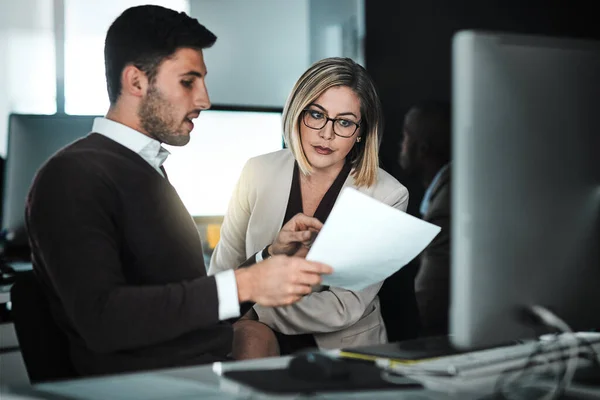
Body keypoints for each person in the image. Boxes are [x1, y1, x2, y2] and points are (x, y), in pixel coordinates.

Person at [24, 5, 333, 378]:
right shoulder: (73, 175)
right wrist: (244, 283)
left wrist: (266, 261)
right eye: (189, 81)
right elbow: (103, 320)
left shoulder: (144, 169)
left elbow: (183, 303)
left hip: (196, 374)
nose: (204, 99)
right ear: (136, 82)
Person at [209, 57, 409, 357]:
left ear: (361, 132)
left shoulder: (387, 194)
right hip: (256, 336)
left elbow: (345, 306)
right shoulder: (257, 171)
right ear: (296, 112)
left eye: (344, 122)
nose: (326, 134)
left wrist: (256, 308)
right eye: (316, 115)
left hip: (341, 346)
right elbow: (223, 273)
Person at [399, 100, 452, 337]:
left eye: (405, 137)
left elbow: (428, 306)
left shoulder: (446, 204)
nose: (401, 145)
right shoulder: (447, 189)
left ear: (422, 148)